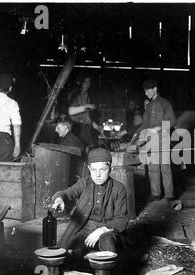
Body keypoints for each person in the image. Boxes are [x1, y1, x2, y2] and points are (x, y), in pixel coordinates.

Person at [51, 148, 133, 259]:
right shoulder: (84, 183)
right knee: (67, 250)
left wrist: (101, 230)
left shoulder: (119, 188)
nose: (97, 175)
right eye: (94, 170)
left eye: (102, 169)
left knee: (109, 249)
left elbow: (121, 220)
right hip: (86, 228)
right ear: (89, 168)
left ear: (110, 169)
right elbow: (68, 193)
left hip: (107, 229)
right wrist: (59, 199)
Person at [134, 79, 179, 208]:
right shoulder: (148, 106)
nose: (146, 93)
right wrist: (136, 135)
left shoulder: (165, 103)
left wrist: (157, 128)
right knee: (153, 169)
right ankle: (156, 194)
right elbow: (145, 124)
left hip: (163, 140)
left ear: (155, 89)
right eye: (144, 90)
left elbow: (172, 121)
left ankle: (169, 195)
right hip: (151, 141)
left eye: (147, 90)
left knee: (165, 168)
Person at [0, 73, 22, 199]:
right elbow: (16, 124)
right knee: (0, 176)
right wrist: (17, 145)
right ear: (10, 89)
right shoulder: (12, 103)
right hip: (4, 141)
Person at [67, 74, 102, 148]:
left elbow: (87, 116)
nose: (87, 84)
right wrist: (86, 107)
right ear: (79, 82)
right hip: (76, 127)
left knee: (87, 148)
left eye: (89, 82)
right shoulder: (74, 95)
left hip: (86, 128)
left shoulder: (88, 95)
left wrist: (96, 126)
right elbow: (70, 112)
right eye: (85, 82)